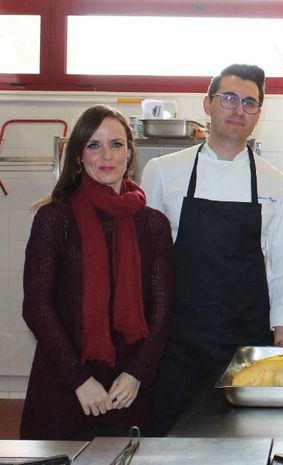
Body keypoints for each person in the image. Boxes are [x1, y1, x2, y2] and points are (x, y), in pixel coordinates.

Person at [141, 64, 283, 436]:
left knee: (242, 439)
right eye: (229, 98)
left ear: (258, 115)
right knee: (170, 440)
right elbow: (144, 260)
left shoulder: (275, 183)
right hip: (176, 337)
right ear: (208, 103)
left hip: (245, 340)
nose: (238, 109)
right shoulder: (163, 172)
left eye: (250, 102)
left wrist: (282, 335)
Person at [20, 105, 173, 439]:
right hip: (63, 382)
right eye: (94, 145)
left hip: (127, 386)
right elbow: (37, 306)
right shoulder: (53, 219)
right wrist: (77, 379)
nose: (107, 155)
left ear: (130, 156)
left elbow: (161, 311)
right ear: (78, 156)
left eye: (116, 144)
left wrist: (137, 373)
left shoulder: (153, 225)